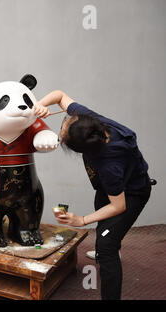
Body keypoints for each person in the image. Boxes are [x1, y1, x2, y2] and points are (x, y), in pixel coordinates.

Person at [34, 90, 153, 300]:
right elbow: (60, 96)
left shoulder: (109, 166)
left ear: (82, 151)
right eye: (65, 122)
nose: (63, 125)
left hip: (132, 194)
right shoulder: (90, 122)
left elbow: (118, 206)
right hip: (108, 188)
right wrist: (40, 107)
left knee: (106, 247)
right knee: (104, 221)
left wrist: (81, 220)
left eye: (62, 134)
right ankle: (108, 243)